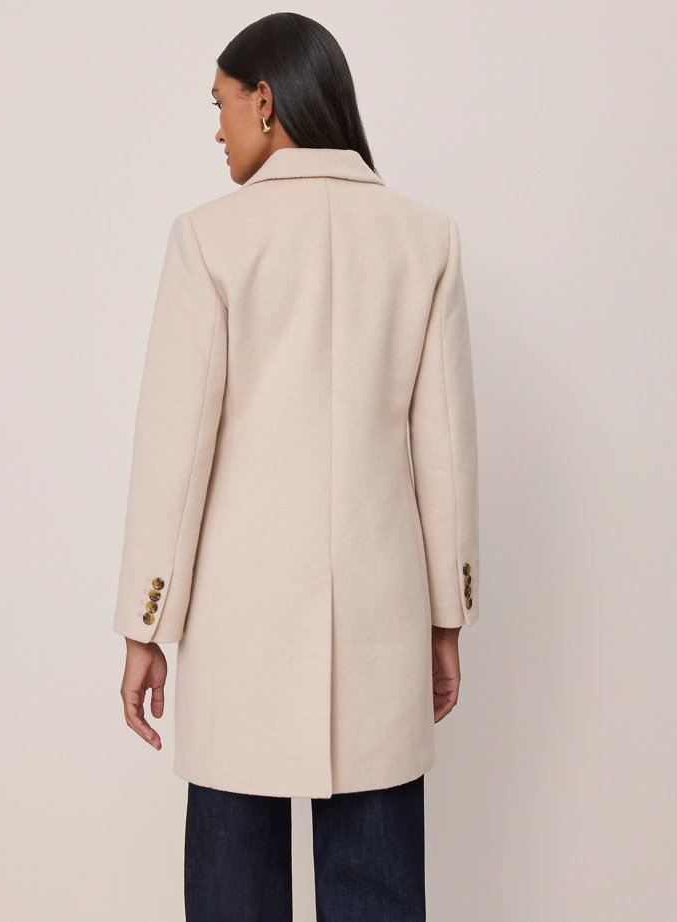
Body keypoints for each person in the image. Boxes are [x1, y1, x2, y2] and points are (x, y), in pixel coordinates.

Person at [112, 12, 480, 922]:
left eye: (221, 104)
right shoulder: (423, 239)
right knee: (379, 898)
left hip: (240, 632)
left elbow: (174, 453)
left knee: (233, 900)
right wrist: (446, 619)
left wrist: (144, 625)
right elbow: (445, 453)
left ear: (266, 101)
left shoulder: (209, 238)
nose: (217, 129)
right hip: (380, 630)